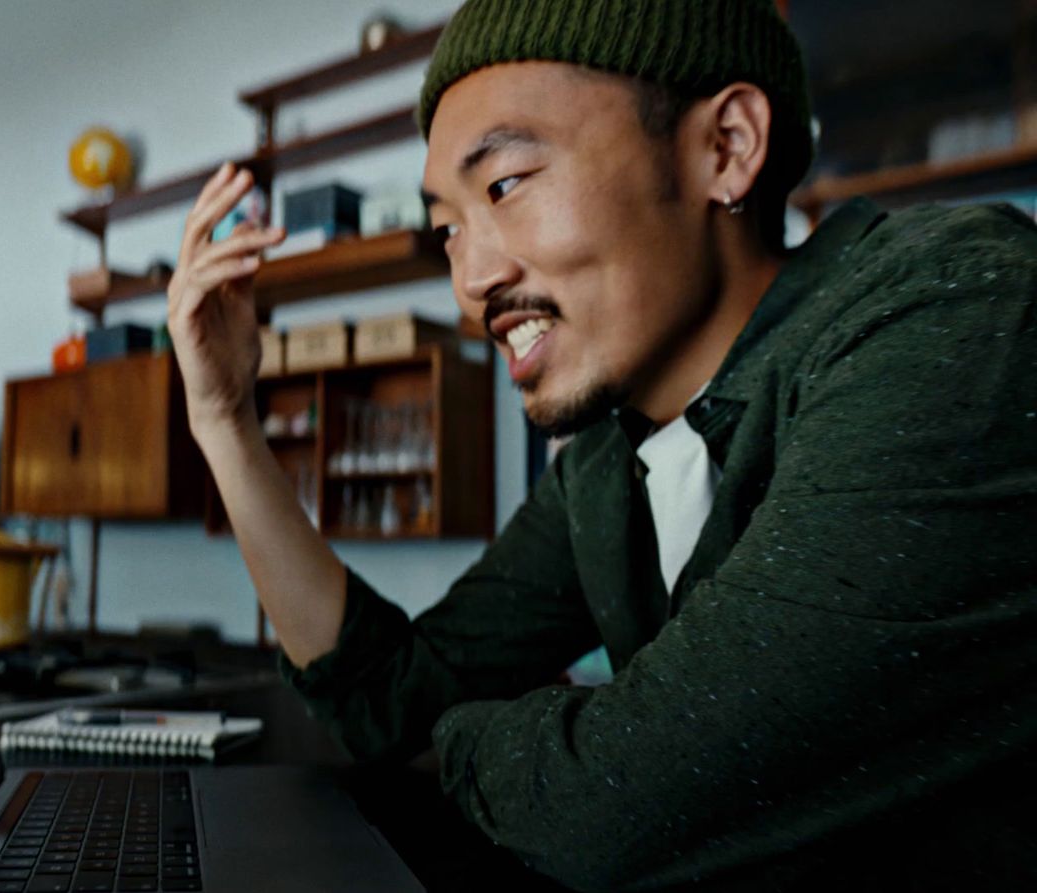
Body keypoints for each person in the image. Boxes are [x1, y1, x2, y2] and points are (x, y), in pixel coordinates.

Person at [165, 0, 1037, 889]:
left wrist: (468, 738)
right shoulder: (605, 461)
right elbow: (388, 700)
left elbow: (615, 803)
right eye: (448, 228)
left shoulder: (959, 308)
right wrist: (224, 418)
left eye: (505, 184)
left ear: (726, 147)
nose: (473, 281)